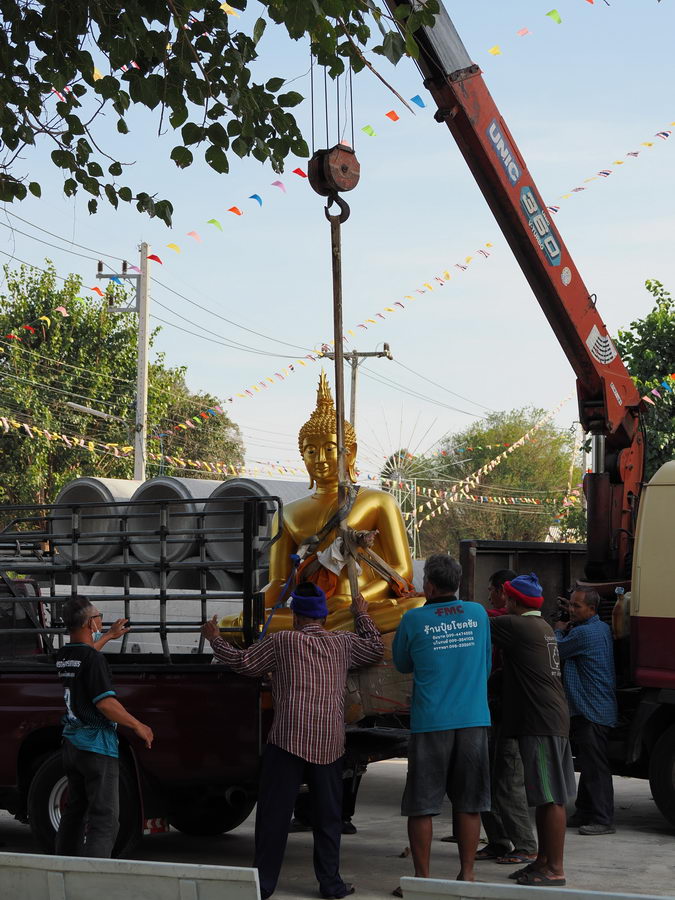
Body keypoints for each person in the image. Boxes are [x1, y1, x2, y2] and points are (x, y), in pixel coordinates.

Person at [201, 581, 384, 900]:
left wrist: (215, 638)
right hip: (329, 742)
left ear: (296, 616)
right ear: (324, 618)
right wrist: (361, 614)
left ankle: (263, 885)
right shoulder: (343, 643)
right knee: (328, 817)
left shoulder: (282, 640)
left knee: (273, 815)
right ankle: (330, 884)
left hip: (288, 738)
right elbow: (375, 648)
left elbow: (243, 663)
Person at [392, 554, 491, 891]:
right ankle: (468, 875)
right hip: (473, 719)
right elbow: (486, 663)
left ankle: (422, 880)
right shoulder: (478, 614)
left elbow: (402, 664)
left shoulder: (413, 618)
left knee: (422, 805)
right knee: (469, 803)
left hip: (430, 721)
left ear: (430, 586)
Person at [489, 573, 575, 887]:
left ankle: (555, 869)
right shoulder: (541, 626)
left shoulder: (517, 625)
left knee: (551, 798)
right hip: (549, 719)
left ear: (512, 600)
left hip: (540, 723)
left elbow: (473, 621)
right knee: (543, 796)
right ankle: (542, 861)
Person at [55, 598, 154, 858]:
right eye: (98, 616)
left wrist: (108, 636)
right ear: (90, 623)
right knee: (104, 818)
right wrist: (137, 725)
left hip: (72, 744)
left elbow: (87, 656)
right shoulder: (93, 660)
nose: (101, 620)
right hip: (96, 746)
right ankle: (92, 875)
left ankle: (63, 867)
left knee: (75, 812)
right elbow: (106, 704)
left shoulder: (65, 655)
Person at [477, 569, 537, 866]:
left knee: (508, 781)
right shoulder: (512, 622)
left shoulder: (515, 624)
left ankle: (525, 845)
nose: (489, 596)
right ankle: (499, 841)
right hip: (495, 709)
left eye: (492, 590)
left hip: (512, 714)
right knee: (488, 777)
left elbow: (480, 619)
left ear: (506, 593)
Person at [555, 585, 618, 835]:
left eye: (576, 606)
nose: (571, 610)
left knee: (596, 766)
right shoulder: (600, 627)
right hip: (596, 707)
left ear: (591, 608)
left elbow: (556, 650)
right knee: (589, 763)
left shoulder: (583, 634)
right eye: (570, 604)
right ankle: (584, 811)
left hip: (592, 709)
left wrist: (558, 629)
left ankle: (603, 819)